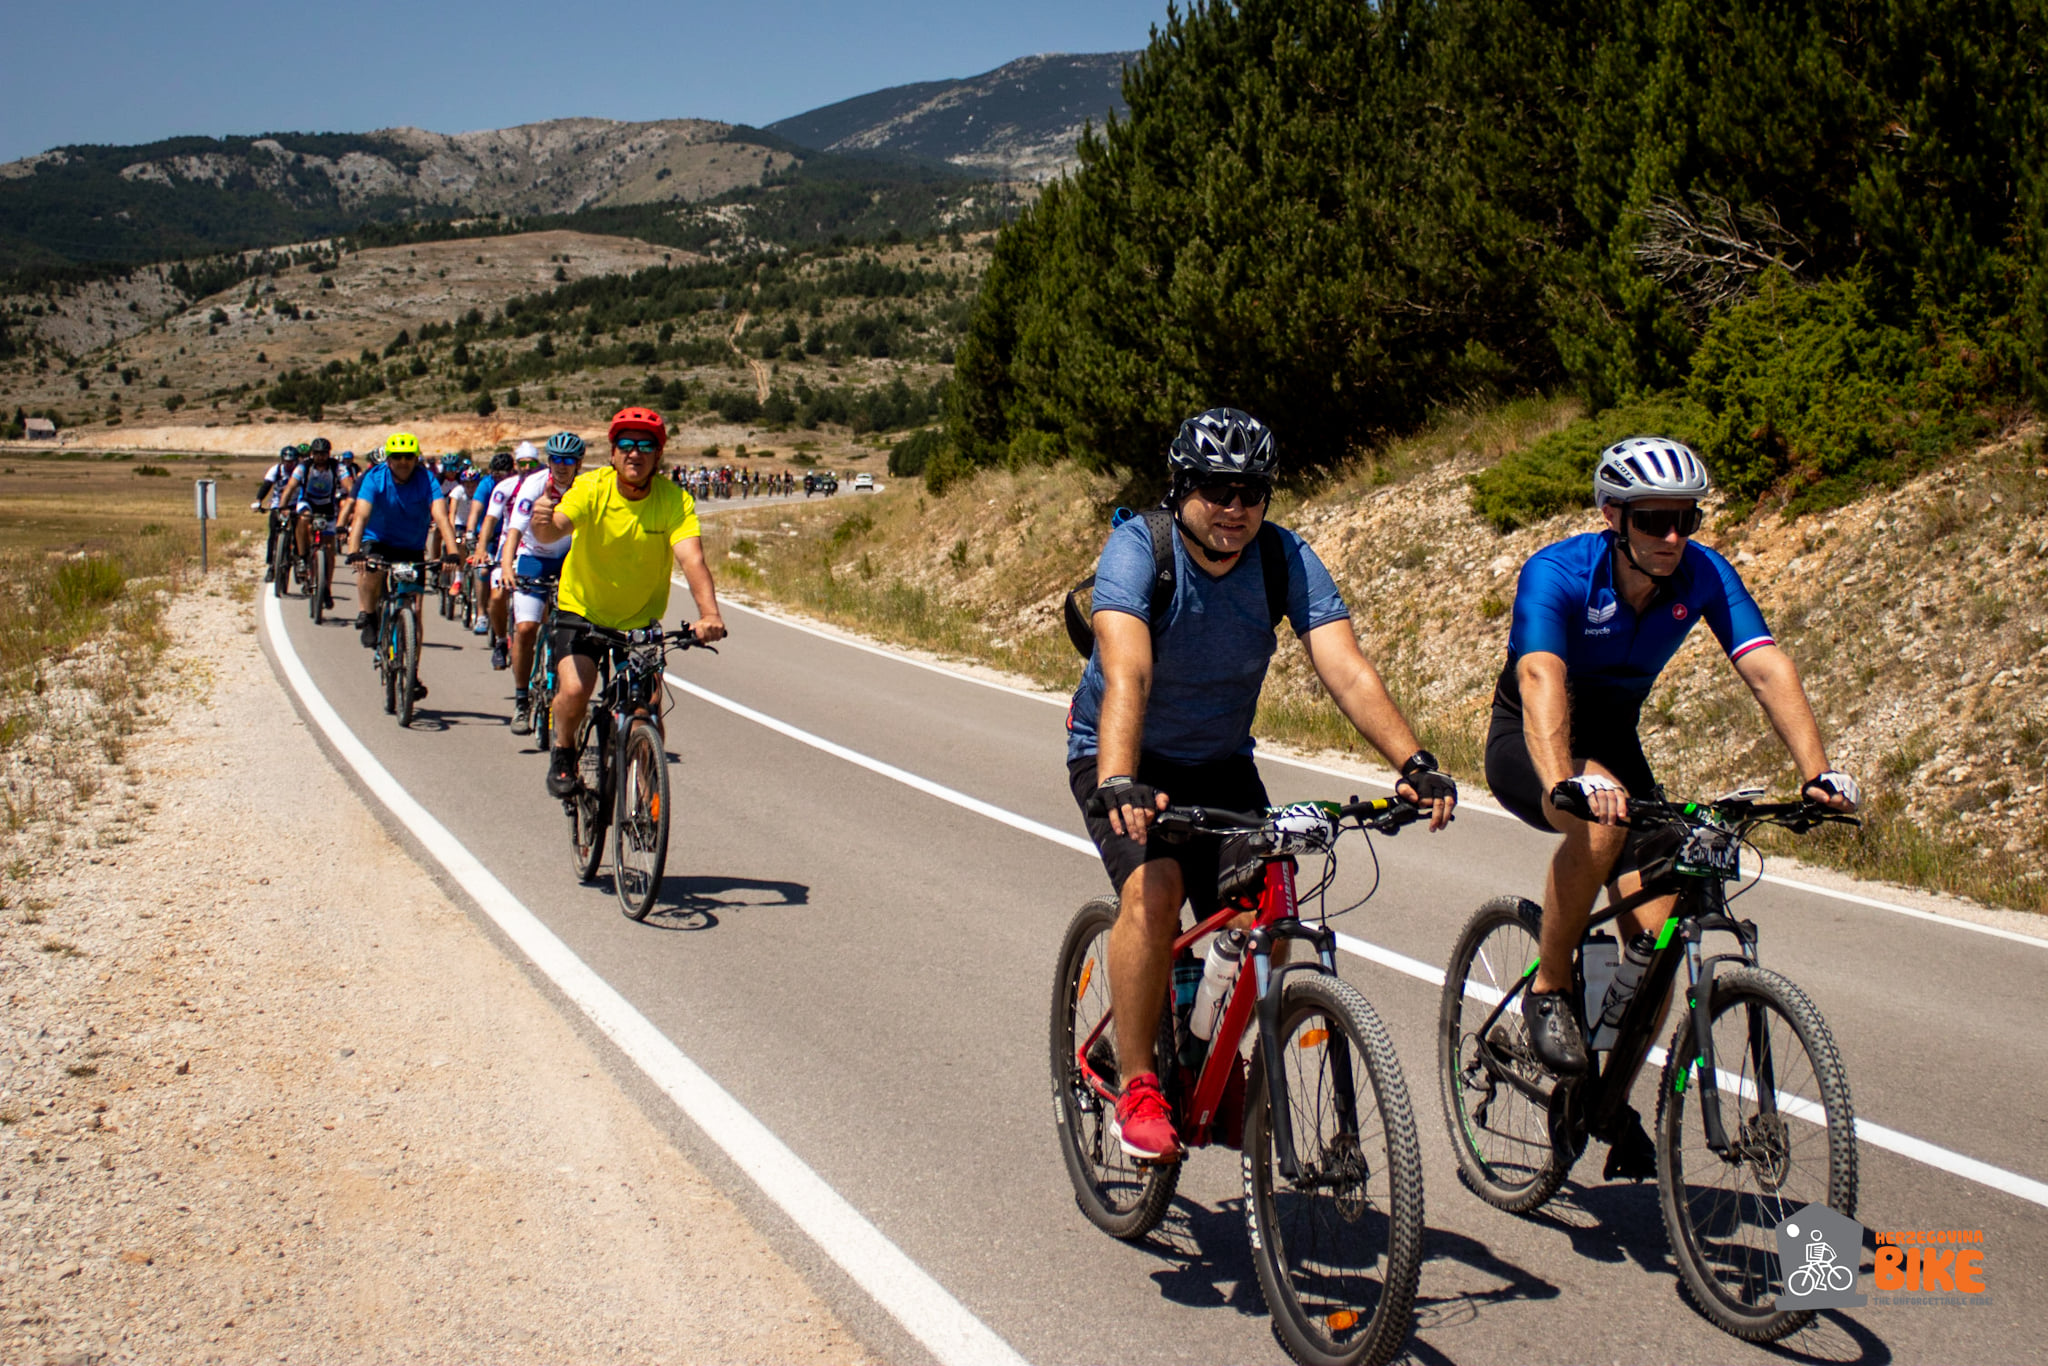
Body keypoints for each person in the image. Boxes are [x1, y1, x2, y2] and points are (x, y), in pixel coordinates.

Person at [1069, 407, 1457, 1162]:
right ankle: (1142, 1080)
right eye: (1216, 489)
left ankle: (1210, 1048)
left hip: (1217, 758)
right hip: (1121, 753)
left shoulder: (1282, 559)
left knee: (1263, 921)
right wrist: (1118, 779)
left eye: (1251, 492)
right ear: (1181, 487)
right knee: (1154, 891)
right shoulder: (1138, 550)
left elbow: (1343, 666)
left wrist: (1412, 763)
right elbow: (1129, 672)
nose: (1235, 508)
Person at [1486, 436, 1859, 1089]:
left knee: (1655, 939)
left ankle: (1605, 1097)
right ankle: (1547, 988)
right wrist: (1563, 781)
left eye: (1684, 518)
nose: (1671, 535)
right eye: (1652, 519)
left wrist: (1816, 774)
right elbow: (1541, 675)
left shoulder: (1704, 574)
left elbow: (1767, 668)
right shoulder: (1560, 573)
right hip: (1533, 735)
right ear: (1613, 516)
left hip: (1614, 740)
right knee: (1600, 820)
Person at [524, 407, 727, 798]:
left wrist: (710, 615)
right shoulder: (592, 488)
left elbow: (692, 560)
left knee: (647, 708)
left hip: (639, 622)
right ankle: (564, 752)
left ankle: (647, 793)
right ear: (613, 454)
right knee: (575, 689)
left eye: (646, 446)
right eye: (627, 445)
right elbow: (555, 530)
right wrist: (542, 522)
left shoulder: (674, 501)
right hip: (582, 611)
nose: (635, 453)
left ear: (658, 455)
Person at [343, 432, 462, 698]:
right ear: (389, 458)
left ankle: (412, 673)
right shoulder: (375, 478)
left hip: (410, 546)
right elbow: (360, 516)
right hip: (378, 540)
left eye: (409, 457)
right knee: (370, 569)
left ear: (416, 458)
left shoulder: (426, 479)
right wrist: (354, 551)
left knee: (414, 610)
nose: (403, 462)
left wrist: (452, 553)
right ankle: (369, 614)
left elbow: (441, 517)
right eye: (397, 457)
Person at [501, 432, 586, 735]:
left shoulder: (585, 487)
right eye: (556, 460)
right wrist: (505, 565)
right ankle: (522, 699)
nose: (562, 466)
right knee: (525, 628)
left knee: (575, 628)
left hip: (569, 560)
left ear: (579, 463)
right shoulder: (535, 485)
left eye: (568, 460)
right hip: (533, 556)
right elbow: (514, 529)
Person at [277, 437, 351, 610]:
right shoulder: (304, 467)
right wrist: (282, 507)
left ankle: (326, 588)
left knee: (330, 550)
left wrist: (353, 498)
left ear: (328, 454)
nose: (320, 457)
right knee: (303, 518)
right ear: (312, 454)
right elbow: (290, 486)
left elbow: (349, 485)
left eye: (323, 454)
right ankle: (303, 557)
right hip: (308, 502)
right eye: (317, 454)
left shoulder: (337, 467)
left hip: (327, 505)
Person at [253, 445, 300, 582]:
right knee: (273, 534)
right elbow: (266, 485)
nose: (289, 464)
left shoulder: (300, 470)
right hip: (278, 505)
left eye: (291, 461)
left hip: (295, 504)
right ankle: (271, 566)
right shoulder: (276, 470)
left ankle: (299, 562)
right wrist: (258, 500)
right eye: (286, 461)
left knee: (299, 532)